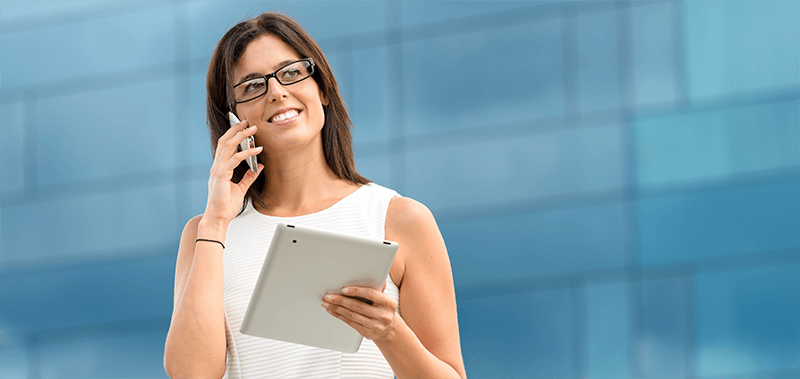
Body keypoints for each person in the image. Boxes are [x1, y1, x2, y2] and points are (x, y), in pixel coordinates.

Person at [163, 11, 466, 379]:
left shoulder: (400, 218)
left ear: (321, 88)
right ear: (233, 118)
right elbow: (190, 374)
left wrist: (389, 332)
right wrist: (215, 222)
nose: (276, 92)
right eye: (252, 86)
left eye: (290, 73)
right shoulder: (207, 235)